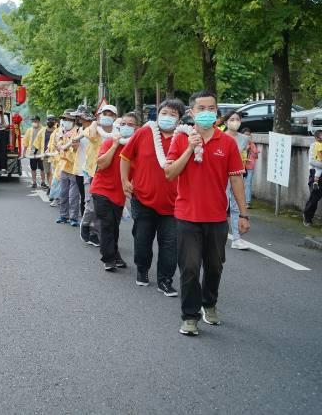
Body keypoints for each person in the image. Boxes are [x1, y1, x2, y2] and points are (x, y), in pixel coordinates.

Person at [165, 90, 250, 337]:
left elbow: (236, 181)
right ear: (191, 112)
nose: (206, 113)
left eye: (211, 108)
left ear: (217, 113)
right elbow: (170, 173)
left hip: (216, 217)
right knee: (190, 268)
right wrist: (190, 149)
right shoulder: (181, 139)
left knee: (215, 266)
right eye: (201, 109)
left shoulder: (228, 143)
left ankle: (209, 303)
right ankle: (190, 316)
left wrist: (243, 215)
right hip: (187, 215)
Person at [120, 100, 185, 295]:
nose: (167, 116)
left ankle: (165, 280)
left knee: (170, 244)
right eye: (164, 112)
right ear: (157, 114)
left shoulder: (184, 138)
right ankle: (142, 269)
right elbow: (125, 156)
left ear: (180, 119)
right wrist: (124, 181)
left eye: (173, 114)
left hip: (174, 204)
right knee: (142, 239)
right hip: (143, 199)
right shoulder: (144, 132)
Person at [91, 112, 138, 271]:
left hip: (119, 194)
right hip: (101, 190)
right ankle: (108, 258)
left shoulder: (136, 148)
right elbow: (102, 164)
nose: (126, 127)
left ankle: (115, 254)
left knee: (114, 226)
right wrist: (114, 146)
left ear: (137, 128)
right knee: (107, 224)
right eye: (124, 123)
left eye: (131, 125)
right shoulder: (110, 142)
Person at [77, 105, 118, 245]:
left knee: (102, 207)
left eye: (110, 114)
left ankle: (95, 233)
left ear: (115, 117)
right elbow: (91, 133)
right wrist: (96, 121)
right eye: (104, 113)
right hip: (91, 171)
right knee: (91, 205)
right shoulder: (95, 129)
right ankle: (86, 224)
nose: (107, 116)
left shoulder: (118, 132)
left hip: (108, 173)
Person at [221, 111, 251, 250]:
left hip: (237, 175)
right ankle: (217, 233)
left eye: (237, 119)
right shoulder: (221, 137)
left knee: (235, 206)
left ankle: (236, 238)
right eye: (231, 119)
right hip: (221, 175)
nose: (235, 121)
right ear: (226, 122)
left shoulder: (244, 139)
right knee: (223, 203)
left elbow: (243, 155)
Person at [53, 110, 81, 226]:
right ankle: (63, 216)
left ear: (74, 121)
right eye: (65, 119)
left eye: (69, 119)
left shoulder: (79, 132)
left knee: (73, 195)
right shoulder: (62, 131)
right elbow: (58, 145)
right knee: (63, 193)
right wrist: (60, 145)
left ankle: (73, 218)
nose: (66, 121)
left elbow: (75, 148)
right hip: (64, 167)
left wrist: (66, 147)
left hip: (75, 167)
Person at [303, 129, 322, 226]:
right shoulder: (314, 146)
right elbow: (312, 161)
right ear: (316, 138)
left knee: (317, 197)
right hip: (315, 174)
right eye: (320, 138)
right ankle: (307, 217)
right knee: (314, 197)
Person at [23, 116, 45, 188]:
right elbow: (26, 142)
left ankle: (43, 182)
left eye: (35, 121)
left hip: (41, 152)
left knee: (42, 168)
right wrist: (24, 152)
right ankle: (34, 182)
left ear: (39, 121)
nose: (34, 123)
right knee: (33, 168)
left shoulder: (43, 129)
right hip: (32, 152)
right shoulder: (29, 130)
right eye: (33, 121)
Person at [240, 127, 258, 207]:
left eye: (248, 135)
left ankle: (247, 202)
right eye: (245, 135)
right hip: (241, 166)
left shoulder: (252, 144)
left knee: (248, 183)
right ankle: (240, 200)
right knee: (239, 183)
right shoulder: (239, 143)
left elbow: (256, 156)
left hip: (250, 166)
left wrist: (252, 150)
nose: (247, 137)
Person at [43, 115, 58, 190]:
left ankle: (51, 188)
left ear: (55, 122)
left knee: (53, 172)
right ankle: (49, 185)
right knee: (48, 172)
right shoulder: (43, 131)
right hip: (45, 155)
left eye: (52, 120)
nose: (50, 122)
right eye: (49, 120)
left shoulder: (58, 131)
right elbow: (38, 142)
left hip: (55, 155)